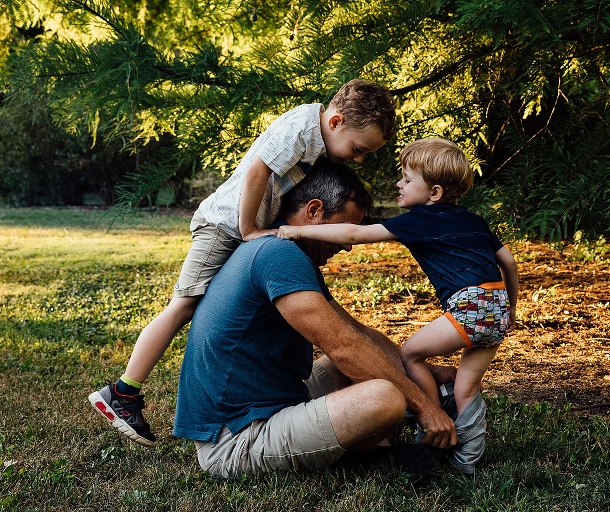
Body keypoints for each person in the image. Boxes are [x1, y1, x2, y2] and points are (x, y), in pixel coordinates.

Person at [89, 79, 396, 446]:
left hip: (240, 227)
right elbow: (257, 171)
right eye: (359, 149)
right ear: (336, 122)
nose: (359, 159)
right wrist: (249, 229)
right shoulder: (300, 127)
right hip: (223, 224)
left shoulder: (318, 141)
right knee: (183, 305)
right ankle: (123, 392)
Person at [172, 161, 457, 477]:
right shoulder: (280, 254)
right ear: (314, 211)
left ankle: (366, 445)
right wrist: (424, 407)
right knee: (385, 397)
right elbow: (342, 346)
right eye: (344, 228)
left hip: (271, 404)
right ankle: (363, 460)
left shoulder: (284, 250)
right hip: (235, 440)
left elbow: (356, 333)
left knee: (366, 362)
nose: (348, 245)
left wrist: (426, 374)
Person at [278, 138, 519, 475]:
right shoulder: (474, 221)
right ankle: (468, 460)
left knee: (411, 355)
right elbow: (507, 261)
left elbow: (352, 234)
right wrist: (511, 310)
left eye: (407, 179)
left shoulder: (421, 219)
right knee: (467, 387)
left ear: (433, 193)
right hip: (496, 307)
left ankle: (431, 422)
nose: (398, 184)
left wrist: (295, 230)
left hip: (470, 305)